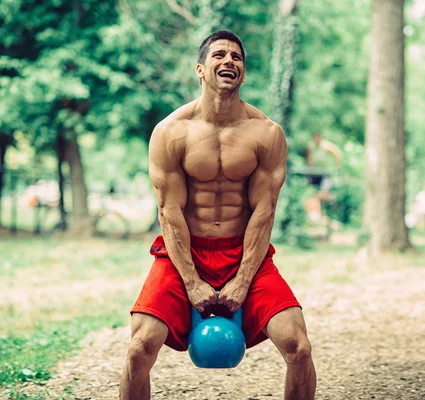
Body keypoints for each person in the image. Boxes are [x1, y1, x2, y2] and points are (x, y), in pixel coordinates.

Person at [119, 31, 316, 400]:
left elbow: (264, 210)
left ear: (243, 72)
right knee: (139, 347)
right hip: (183, 254)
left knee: (299, 347)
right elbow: (169, 210)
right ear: (200, 69)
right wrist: (191, 281)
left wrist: (243, 279)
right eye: (220, 55)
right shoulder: (171, 132)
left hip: (245, 254)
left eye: (237, 57)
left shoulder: (266, 133)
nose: (229, 61)